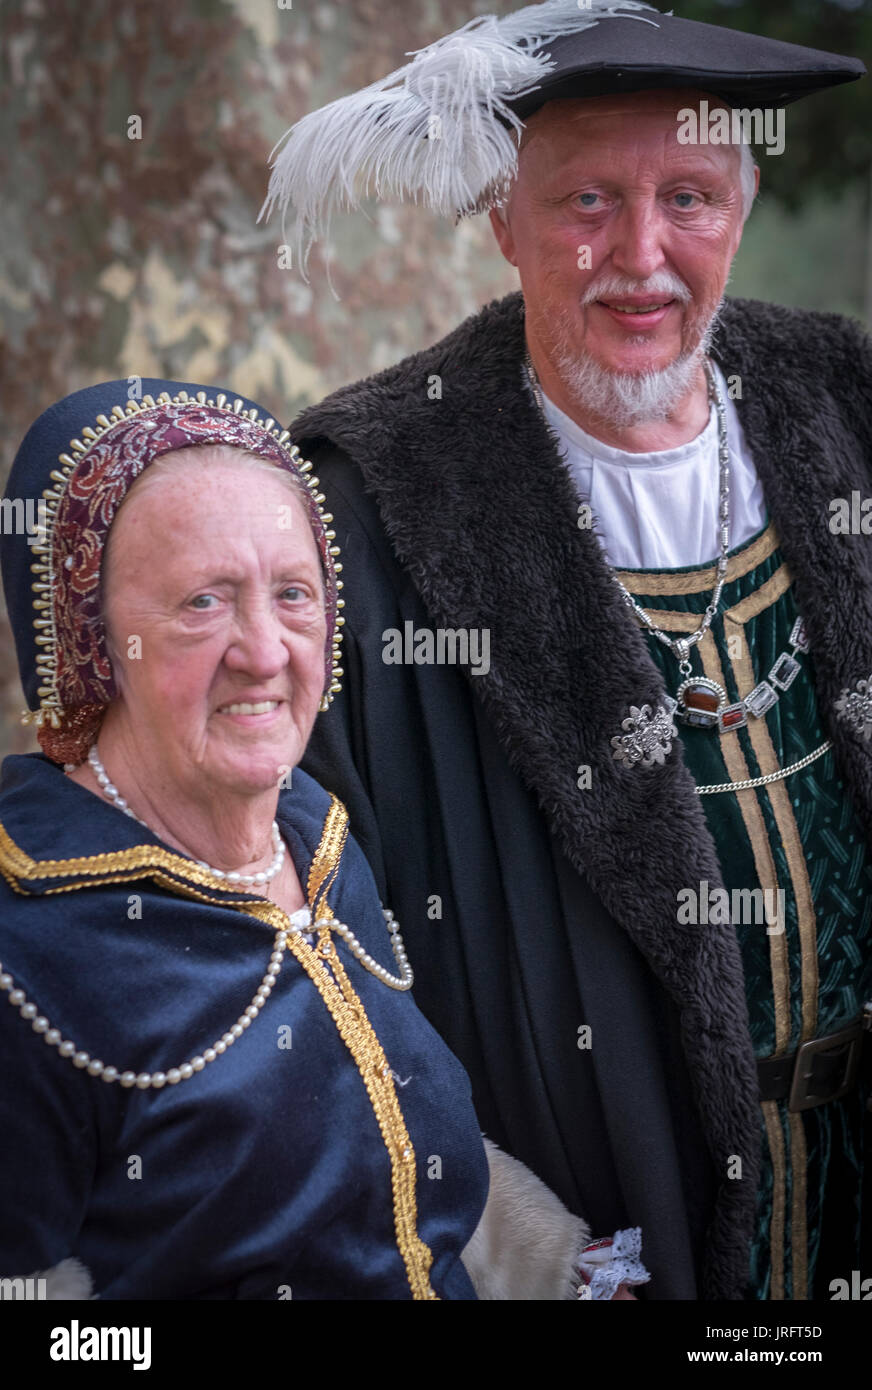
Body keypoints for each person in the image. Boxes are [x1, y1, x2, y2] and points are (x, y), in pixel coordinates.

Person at [258, 1, 872, 1299]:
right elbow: (305, 954)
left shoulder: (848, 406)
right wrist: (516, 1241)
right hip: (609, 1233)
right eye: (586, 200)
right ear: (502, 221)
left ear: (744, 203)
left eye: (690, 197)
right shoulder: (368, 506)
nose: (641, 256)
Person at [0, 378, 650, 1301]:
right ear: (94, 641)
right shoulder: (27, 949)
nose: (265, 650)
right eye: (202, 603)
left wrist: (552, 1271)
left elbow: (385, 1149)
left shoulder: (313, 831)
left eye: (294, 593)